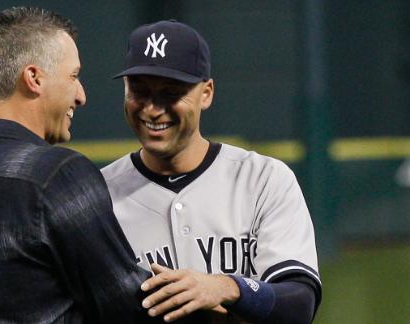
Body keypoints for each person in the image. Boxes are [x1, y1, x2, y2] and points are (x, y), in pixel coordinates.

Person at [0, 7, 208, 324]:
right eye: (73, 76)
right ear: (34, 78)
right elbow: (130, 308)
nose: (81, 95)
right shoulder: (56, 174)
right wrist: (232, 301)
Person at [101, 20, 322, 323]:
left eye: (170, 93)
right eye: (140, 91)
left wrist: (226, 288)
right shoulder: (99, 197)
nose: (152, 109)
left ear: (206, 94)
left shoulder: (263, 180)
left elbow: (298, 304)